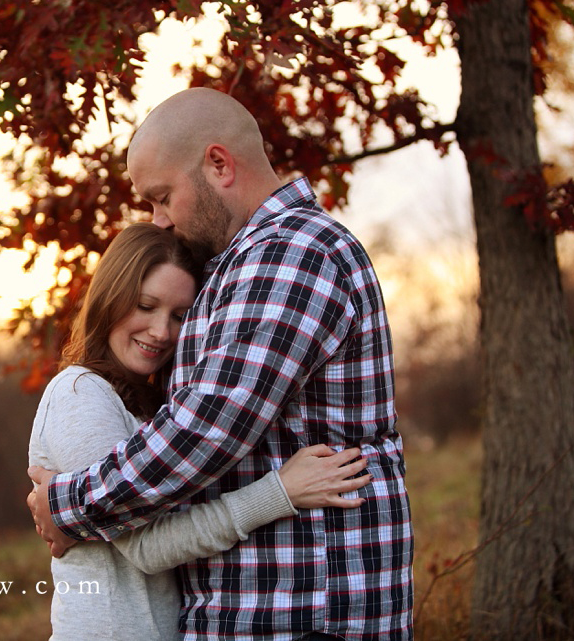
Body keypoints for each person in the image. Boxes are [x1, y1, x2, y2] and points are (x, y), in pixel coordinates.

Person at [28, 88, 413, 640]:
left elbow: (207, 430)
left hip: (299, 614)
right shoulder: (240, 265)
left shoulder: (291, 254)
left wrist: (67, 505)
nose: (157, 220)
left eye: (162, 196)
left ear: (218, 164)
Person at [29, 221, 373, 640]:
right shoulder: (80, 392)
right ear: (110, 298)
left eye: (178, 316)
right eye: (145, 305)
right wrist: (280, 491)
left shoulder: (151, 403)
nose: (161, 332)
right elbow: (147, 548)